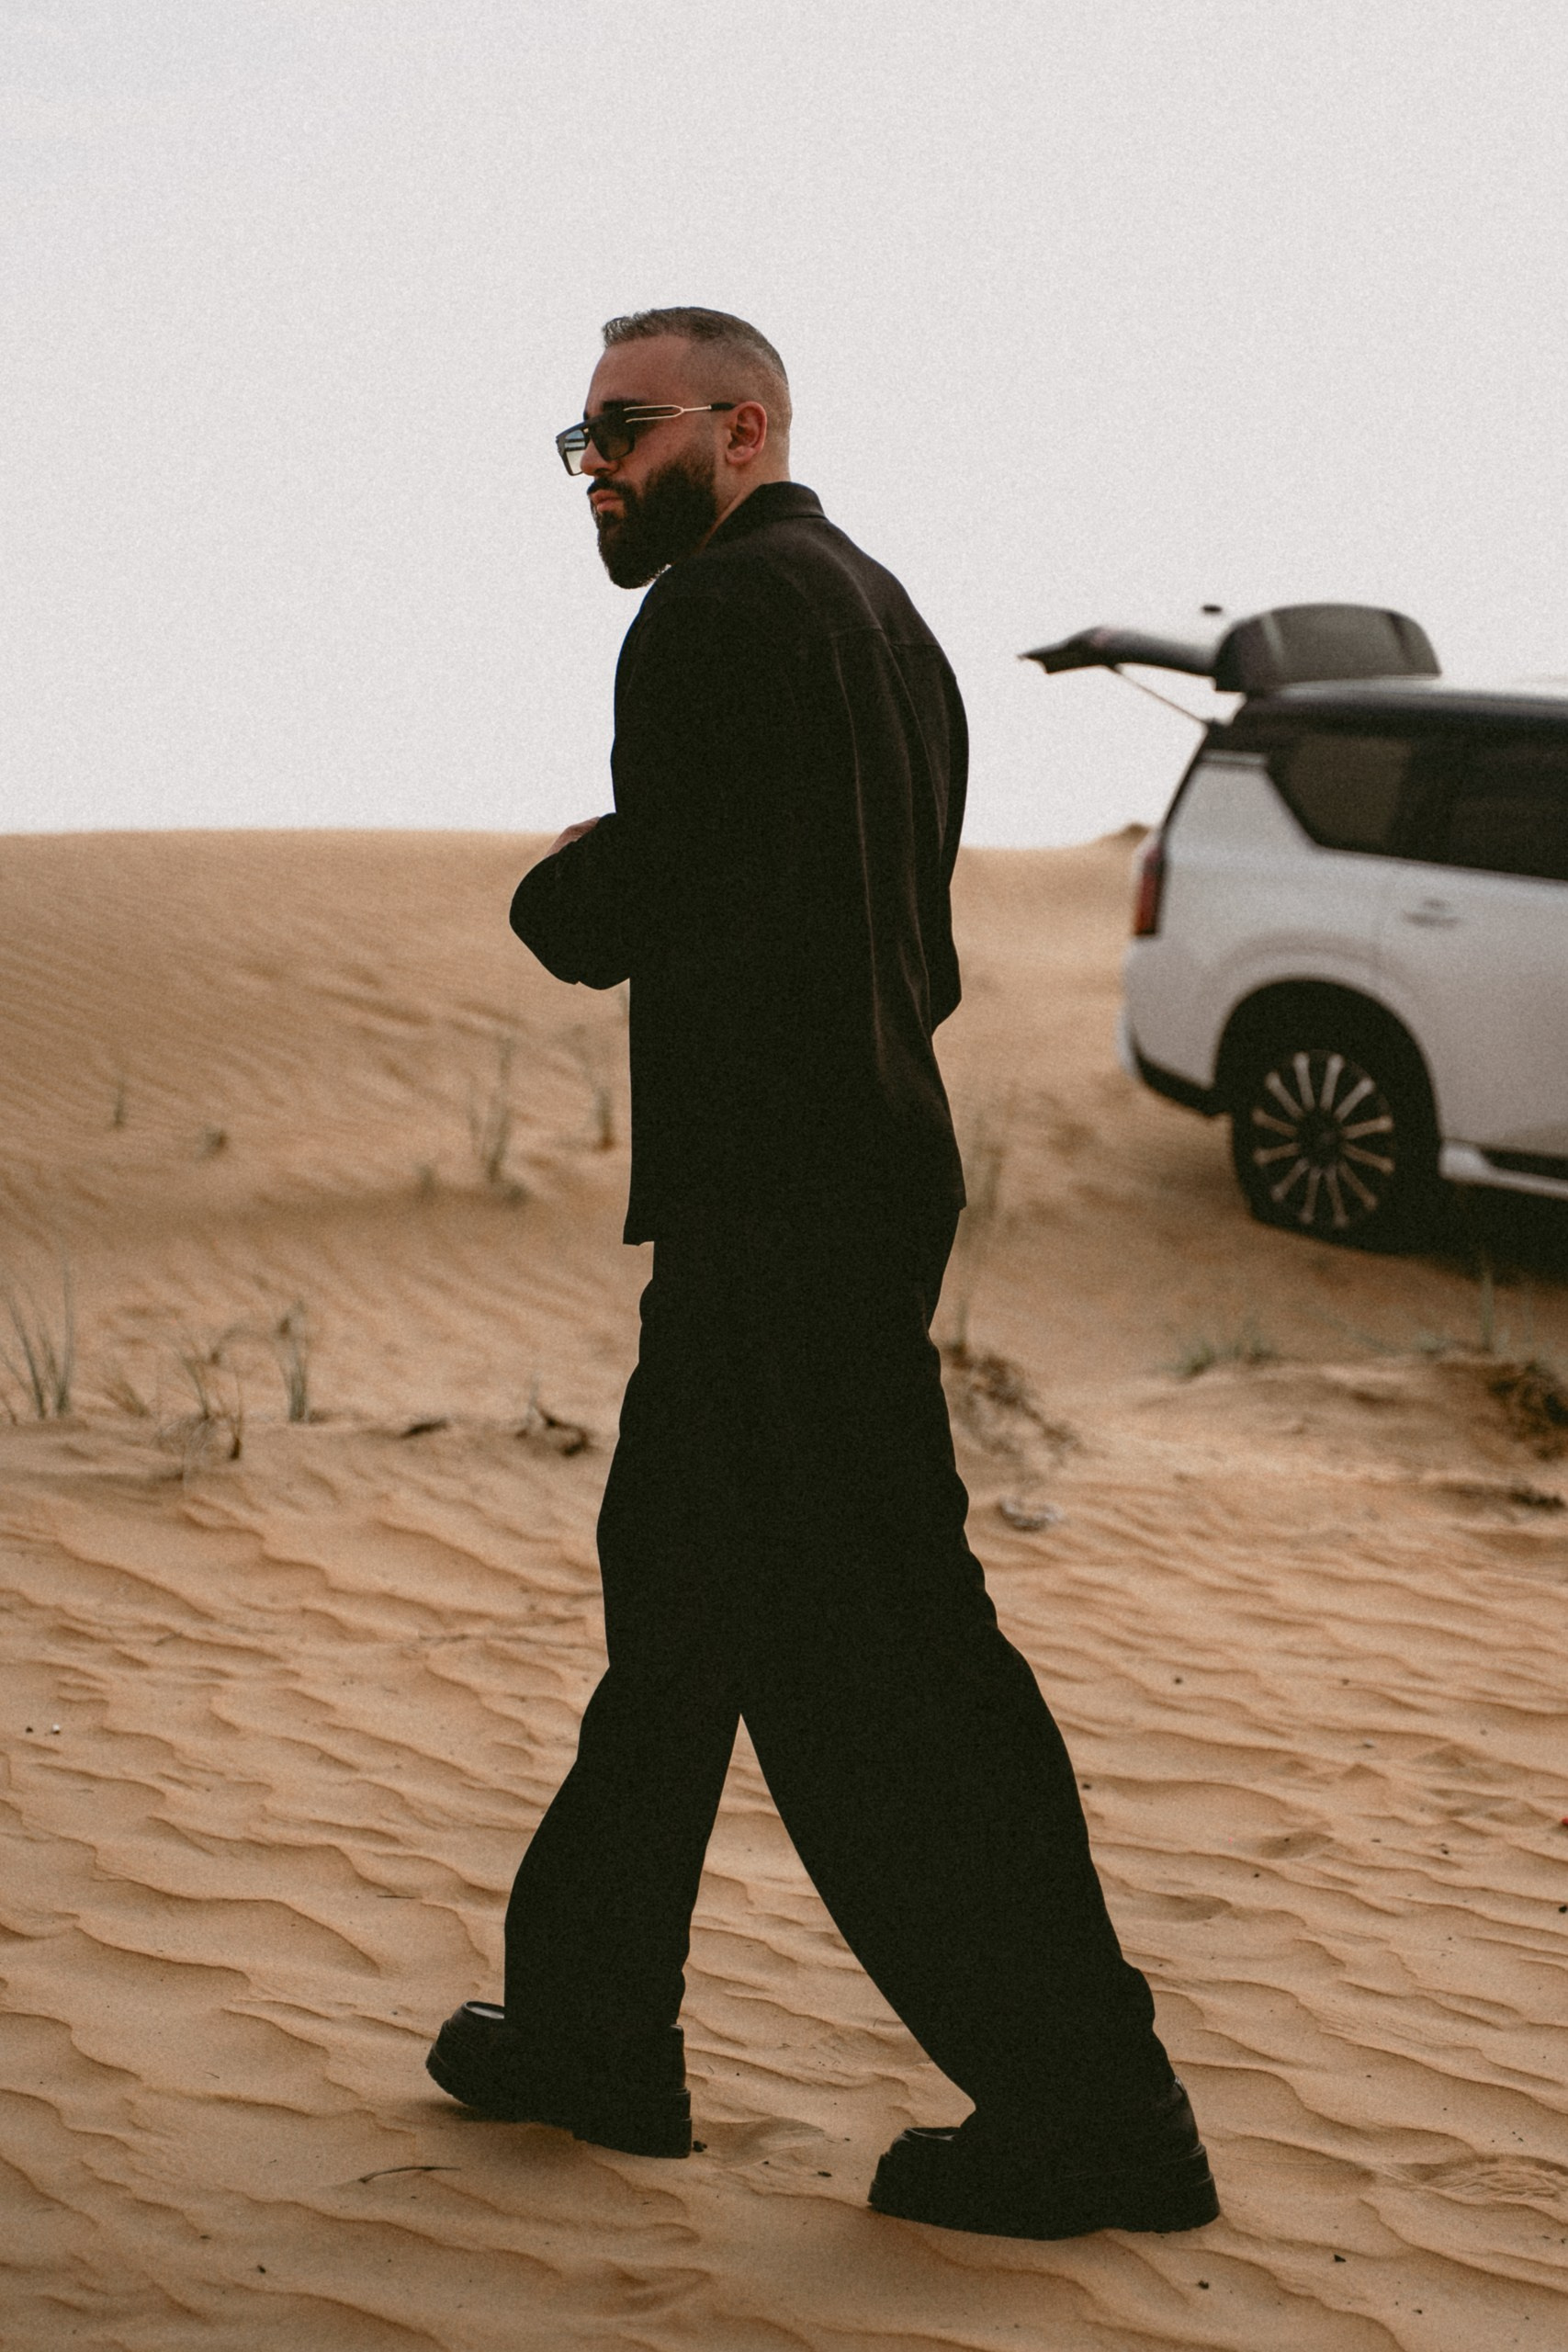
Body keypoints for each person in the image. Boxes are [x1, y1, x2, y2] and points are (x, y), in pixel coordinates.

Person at [426, 306, 1218, 2242]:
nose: (596, 469)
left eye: (626, 428)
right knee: (676, 1612)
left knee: (883, 1665)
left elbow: (648, 896)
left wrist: (565, 881)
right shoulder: (886, 620)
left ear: (743, 427)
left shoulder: (708, 617)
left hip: (778, 1206)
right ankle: (594, 2027)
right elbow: (887, 930)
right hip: (845, 1179)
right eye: (578, 439)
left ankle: (1094, 2110)